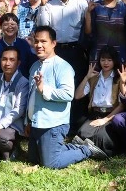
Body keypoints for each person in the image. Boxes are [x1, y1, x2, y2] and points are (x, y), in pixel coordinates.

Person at [26, 26, 107, 168]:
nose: (39, 45)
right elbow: (30, 96)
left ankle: (85, 149)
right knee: (33, 159)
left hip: (52, 124)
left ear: (53, 43)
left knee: (51, 163)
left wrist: (44, 89)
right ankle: (70, 147)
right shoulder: (34, 66)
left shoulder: (63, 67)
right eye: (36, 41)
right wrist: (28, 120)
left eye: (43, 41)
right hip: (36, 122)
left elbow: (68, 94)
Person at [39, 0, 89, 87]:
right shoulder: (50, 5)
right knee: (56, 82)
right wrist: (42, 5)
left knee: (76, 82)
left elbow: (87, 28)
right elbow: (43, 27)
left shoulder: (81, 4)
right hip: (56, 50)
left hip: (76, 50)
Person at [71, 46, 123, 153]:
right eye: (103, 60)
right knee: (82, 132)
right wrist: (86, 77)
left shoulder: (118, 79)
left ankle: (92, 148)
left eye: (109, 60)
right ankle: (91, 147)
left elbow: (122, 105)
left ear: (114, 61)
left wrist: (105, 120)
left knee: (102, 137)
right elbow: (77, 95)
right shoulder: (94, 77)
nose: (106, 63)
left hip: (110, 115)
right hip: (95, 114)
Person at [0, 13, 36, 78]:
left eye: (13, 24)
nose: (9, 27)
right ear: (1, 27)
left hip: (23, 82)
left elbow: (32, 64)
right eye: (5, 24)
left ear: (18, 26)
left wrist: (33, 47)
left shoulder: (24, 44)